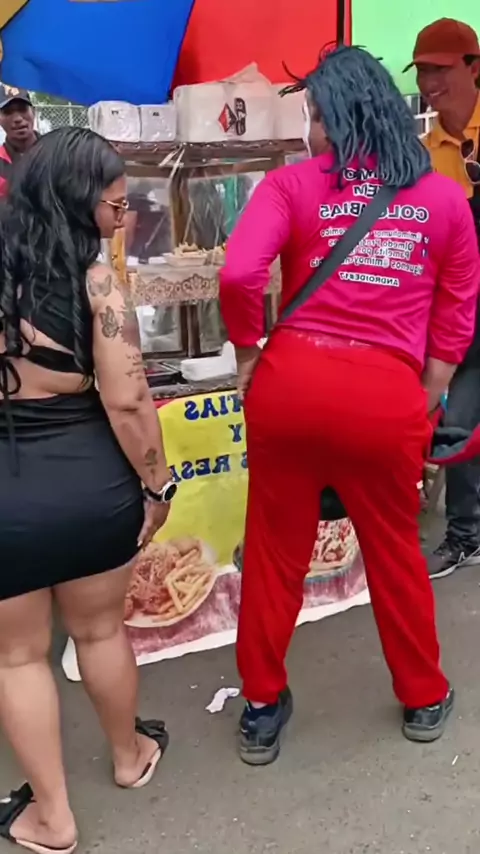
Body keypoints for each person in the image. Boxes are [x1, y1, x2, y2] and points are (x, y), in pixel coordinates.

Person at [220, 45, 480, 766]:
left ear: (335, 119)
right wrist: (426, 395)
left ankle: (261, 706)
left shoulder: (291, 184)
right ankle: (423, 696)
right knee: (395, 552)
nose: (308, 131)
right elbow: (458, 310)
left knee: (273, 552)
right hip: (385, 396)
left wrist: (247, 354)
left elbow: (240, 274)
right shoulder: (443, 199)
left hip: (289, 386)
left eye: (312, 116)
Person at [0, 127, 178, 853]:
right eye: (113, 205)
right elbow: (129, 401)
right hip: (90, 489)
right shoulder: (97, 283)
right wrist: (159, 485)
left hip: (6, 496)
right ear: (79, 201)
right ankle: (129, 756)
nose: (119, 218)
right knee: (101, 631)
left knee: (16, 657)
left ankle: (52, 816)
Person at [405, 18, 480, 579]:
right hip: (463, 307)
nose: (429, 82)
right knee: (459, 420)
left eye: (441, 69)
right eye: (422, 71)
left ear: (475, 68)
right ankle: (465, 535)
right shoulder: (424, 156)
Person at [0, 84, 38, 198]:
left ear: (33, 112)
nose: (17, 119)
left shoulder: (56, 153)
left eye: (22, 109)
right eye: (8, 112)